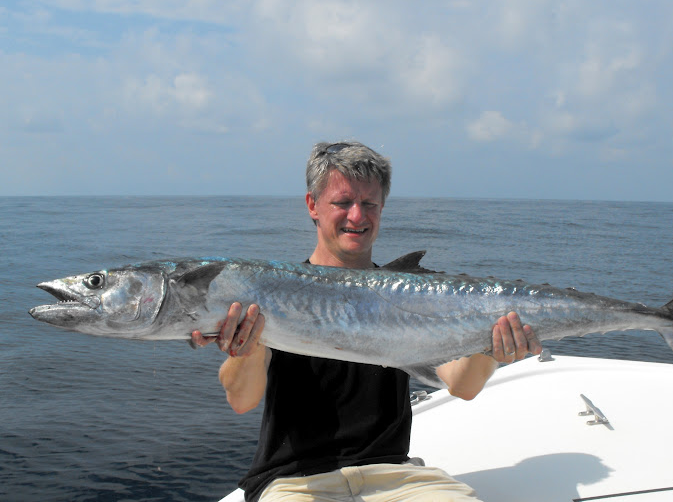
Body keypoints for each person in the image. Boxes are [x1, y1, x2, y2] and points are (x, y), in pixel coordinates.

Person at [192, 141, 541, 502]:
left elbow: (463, 385)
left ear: (382, 208)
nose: (357, 216)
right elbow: (242, 400)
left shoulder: (416, 296)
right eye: (343, 202)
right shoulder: (275, 292)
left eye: (369, 204)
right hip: (295, 483)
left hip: (395, 476)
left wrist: (491, 347)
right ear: (312, 205)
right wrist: (244, 347)